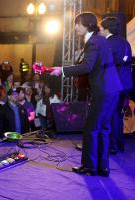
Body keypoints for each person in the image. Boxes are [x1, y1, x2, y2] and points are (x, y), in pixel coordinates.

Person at [50, 12, 122, 177]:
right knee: (104, 129)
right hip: (112, 89)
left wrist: (62, 70)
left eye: (77, 24)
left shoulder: (93, 42)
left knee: (91, 129)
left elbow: (87, 66)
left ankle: (89, 167)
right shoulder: (101, 40)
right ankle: (103, 168)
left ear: (87, 25)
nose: (75, 27)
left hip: (103, 91)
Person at [99, 17, 133, 154]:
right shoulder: (125, 42)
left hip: (113, 84)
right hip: (126, 84)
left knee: (111, 114)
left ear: (107, 29)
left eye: (101, 28)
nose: (99, 30)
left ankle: (112, 145)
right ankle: (120, 144)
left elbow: (105, 65)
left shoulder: (107, 43)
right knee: (118, 114)